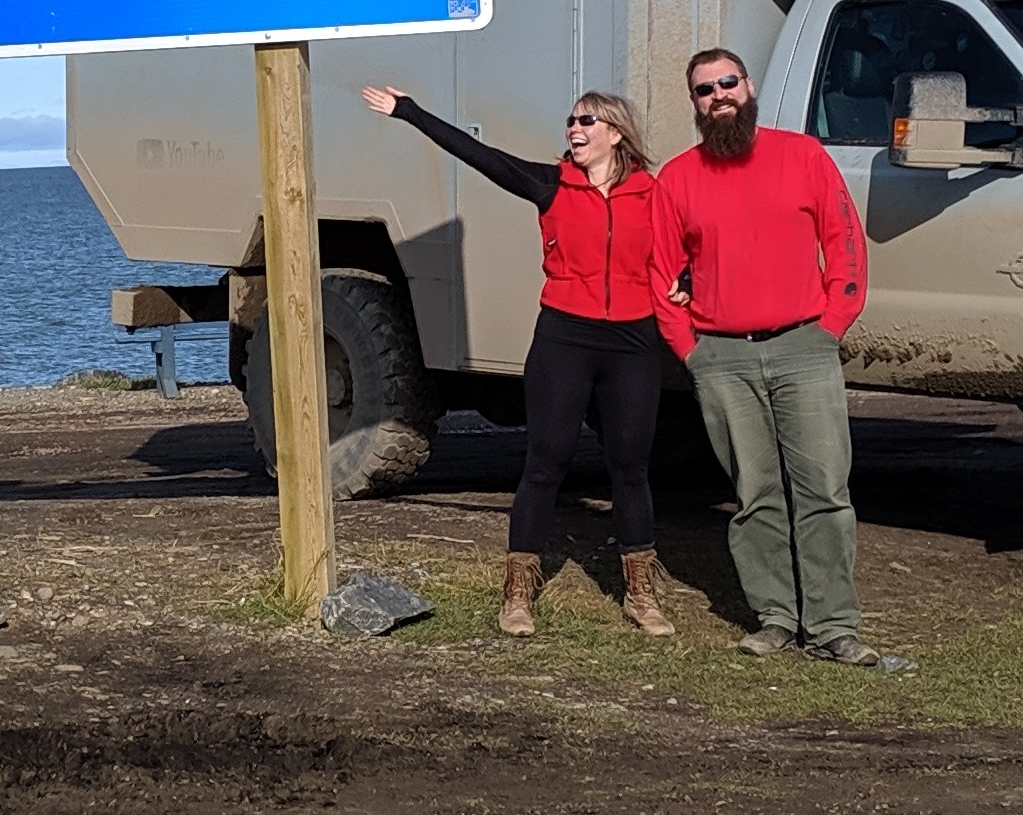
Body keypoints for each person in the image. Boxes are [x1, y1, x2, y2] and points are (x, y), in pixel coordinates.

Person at [360, 82, 676, 639]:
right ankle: (517, 596)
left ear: (616, 133)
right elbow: (479, 156)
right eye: (571, 122)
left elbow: (697, 242)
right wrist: (410, 112)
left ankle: (641, 594)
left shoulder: (656, 193)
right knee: (544, 464)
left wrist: (688, 282)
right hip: (564, 339)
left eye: (587, 122)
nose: (574, 130)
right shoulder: (551, 184)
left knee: (630, 467)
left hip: (633, 343)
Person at [650, 46, 906, 669]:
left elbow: (844, 242)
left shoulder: (803, 156)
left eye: (727, 83)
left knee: (823, 490)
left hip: (804, 348)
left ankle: (833, 626)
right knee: (756, 495)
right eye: (705, 90)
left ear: (749, 85)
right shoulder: (677, 179)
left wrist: (830, 326)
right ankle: (776, 617)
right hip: (723, 359)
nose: (719, 97)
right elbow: (661, 274)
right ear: (695, 104)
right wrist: (693, 354)